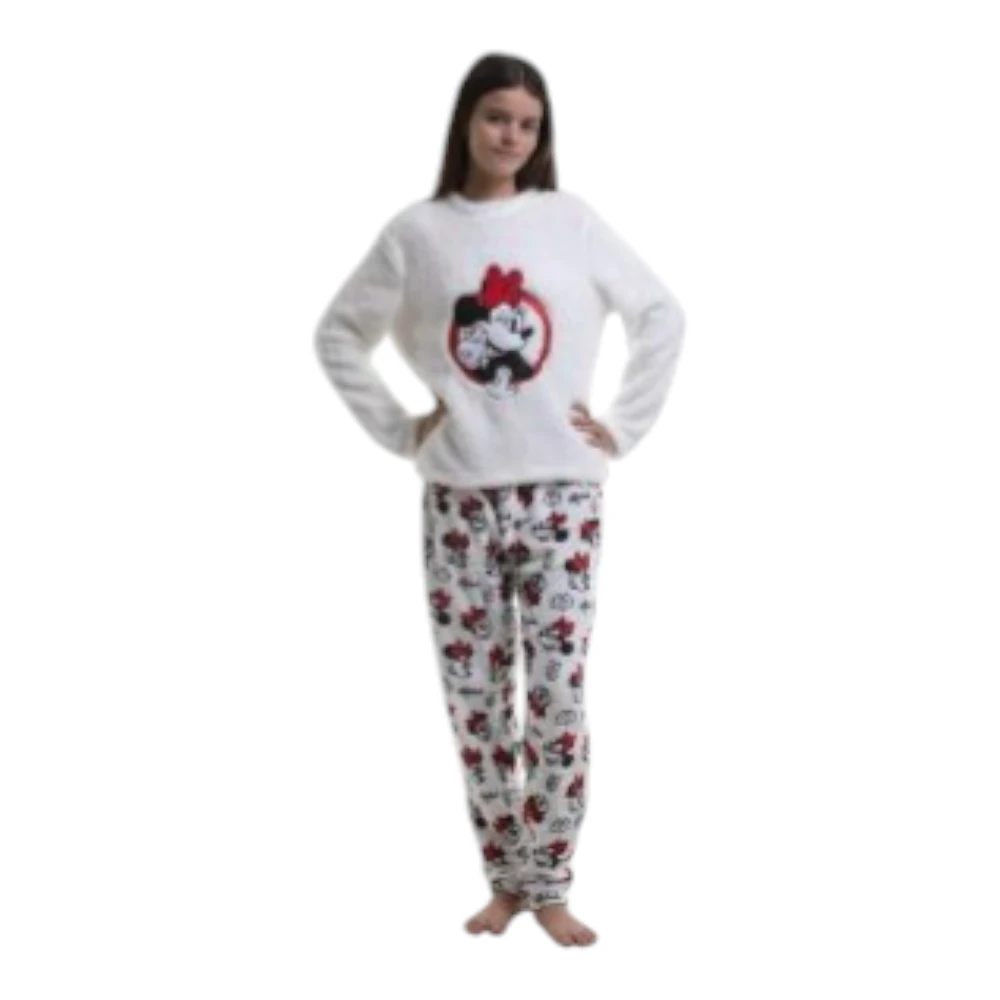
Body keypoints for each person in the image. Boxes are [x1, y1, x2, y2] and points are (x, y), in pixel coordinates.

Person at [313, 52, 686, 947]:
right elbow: (338, 335)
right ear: (466, 123)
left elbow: (661, 315)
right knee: (477, 701)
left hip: (563, 496)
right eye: (496, 118)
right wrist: (404, 429)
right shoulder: (417, 233)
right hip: (458, 497)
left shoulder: (570, 221)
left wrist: (621, 427)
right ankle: (505, 880)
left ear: (539, 133)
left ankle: (549, 880)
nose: (511, 136)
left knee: (555, 694)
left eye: (527, 123)